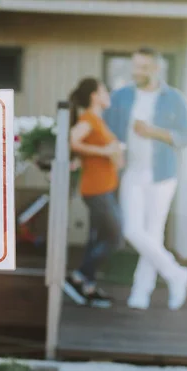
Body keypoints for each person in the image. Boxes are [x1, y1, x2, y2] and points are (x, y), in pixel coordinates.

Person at [103, 46, 187, 311]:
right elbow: (107, 132)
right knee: (131, 230)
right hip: (131, 172)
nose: (137, 71)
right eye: (135, 66)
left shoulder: (173, 98)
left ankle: (141, 292)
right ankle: (176, 274)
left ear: (156, 68)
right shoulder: (120, 96)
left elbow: (185, 136)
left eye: (143, 67)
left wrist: (153, 131)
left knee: (153, 232)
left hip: (162, 174)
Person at [63, 77, 125, 308]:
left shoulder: (98, 120)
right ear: (94, 96)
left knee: (98, 239)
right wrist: (104, 151)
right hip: (97, 190)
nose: (108, 94)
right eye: (104, 91)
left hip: (104, 187)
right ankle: (78, 276)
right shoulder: (88, 119)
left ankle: (88, 286)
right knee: (115, 237)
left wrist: (114, 153)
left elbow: (97, 150)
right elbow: (72, 140)